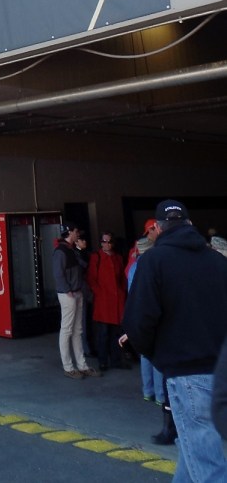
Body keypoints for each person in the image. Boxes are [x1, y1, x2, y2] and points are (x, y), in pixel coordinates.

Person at [123, 199, 227, 481]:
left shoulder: (153, 262)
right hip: (220, 369)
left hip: (186, 373)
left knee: (207, 462)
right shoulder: (218, 261)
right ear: (190, 225)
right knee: (193, 448)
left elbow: (138, 322)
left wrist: (157, 355)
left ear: (157, 228)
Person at [52, 223, 101, 379]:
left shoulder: (70, 249)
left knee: (76, 330)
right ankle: (69, 366)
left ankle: (81, 365)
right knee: (67, 330)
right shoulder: (61, 251)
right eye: (76, 232)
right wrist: (67, 290)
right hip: (69, 294)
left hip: (75, 292)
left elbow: (84, 265)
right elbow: (58, 274)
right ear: (70, 233)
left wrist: (81, 250)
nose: (78, 234)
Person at [127, 237, 164, 405]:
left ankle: (148, 391)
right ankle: (161, 394)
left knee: (145, 354)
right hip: (151, 313)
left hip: (137, 313)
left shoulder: (133, 267)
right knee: (156, 353)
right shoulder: (151, 267)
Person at [87, 231, 128, 371]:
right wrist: (99, 293)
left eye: (109, 241)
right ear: (100, 243)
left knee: (116, 333)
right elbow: (91, 278)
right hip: (104, 301)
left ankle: (116, 360)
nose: (107, 244)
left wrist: (122, 292)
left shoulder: (118, 258)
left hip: (116, 300)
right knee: (103, 334)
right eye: (104, 241)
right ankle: (103, 361)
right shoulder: (96, 257)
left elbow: (122, 277)